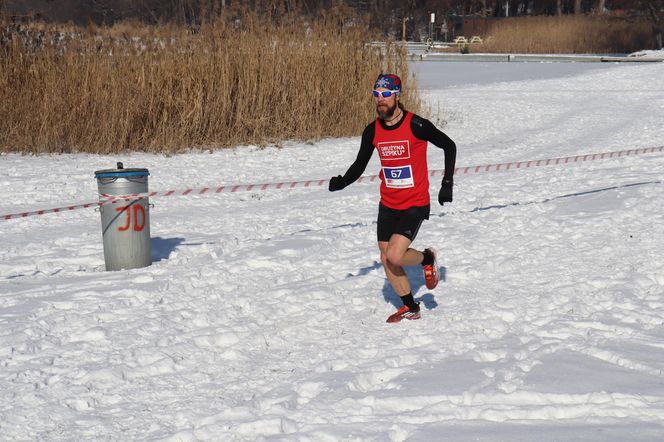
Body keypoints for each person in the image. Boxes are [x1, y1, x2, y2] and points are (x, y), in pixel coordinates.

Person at [329, 73, 457, 323]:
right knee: (385, 256)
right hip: (388, 203)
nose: (380, 100)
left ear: (397, 96)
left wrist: (447, 183)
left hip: (415, 202)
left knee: (396, 255)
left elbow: (449, 146)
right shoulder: (372, 131)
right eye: (376, 95)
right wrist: (343, 181)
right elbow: (360, 164)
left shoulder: (416, 125)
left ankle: (427, 258)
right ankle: (411, 307)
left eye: (386, 95)